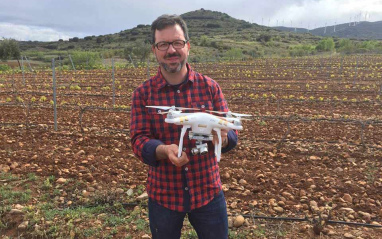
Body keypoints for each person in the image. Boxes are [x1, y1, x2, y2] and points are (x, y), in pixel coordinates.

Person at [130, 14, 238, 239]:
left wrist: (224, 138)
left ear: (188, 46)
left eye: (177, 43)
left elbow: (232, 133)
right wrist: (163, 150)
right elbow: (138, 140)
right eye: (163, 44)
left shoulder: (210, 88)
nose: (171, 50)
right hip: (164, 196)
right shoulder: (143, 94)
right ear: (155, 50)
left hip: (208, 191)